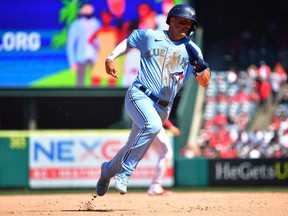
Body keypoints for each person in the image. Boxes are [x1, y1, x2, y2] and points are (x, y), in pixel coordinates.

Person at [96, 4, 211, 196]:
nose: (186, 26)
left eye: (189, 24)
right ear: (171, 20)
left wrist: (200, 67)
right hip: (139, 94)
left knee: (131, 145)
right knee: (152, 126)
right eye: (182, 22)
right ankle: (125, 172)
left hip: (164, 107)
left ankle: (107, 170)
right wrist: (110, 58)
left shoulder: (192, 49)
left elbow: (205, 82)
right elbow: (129, 41)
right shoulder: (151, 36)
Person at [66, 4, 101, 87]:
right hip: (80, 56)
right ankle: (79, 98)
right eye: (86, 10)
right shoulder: (76, 25)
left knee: (96, 81)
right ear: (82, 11)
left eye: (90, 10)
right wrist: (72, 61)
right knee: (80, 82)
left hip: (95, 56)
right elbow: (70, 43)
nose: (88, 12)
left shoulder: (97, 23)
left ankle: (96, 98)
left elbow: (100, 41)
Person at [148, 119, 180, 196]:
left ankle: (155, 186)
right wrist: (171, 126)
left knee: (163, 153)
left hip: (144, 125)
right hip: (154, 125)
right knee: (166, 153)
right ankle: (155, 186)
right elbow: (157, 113)